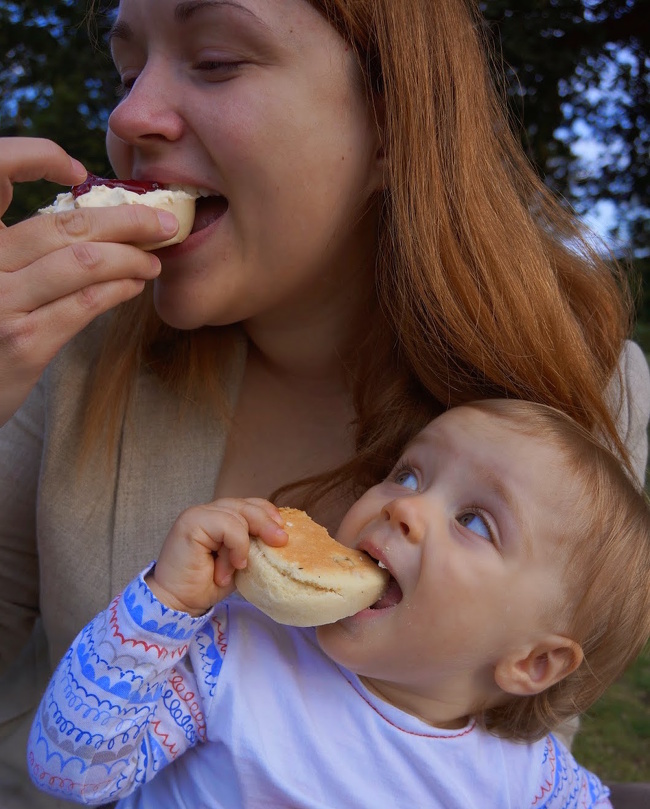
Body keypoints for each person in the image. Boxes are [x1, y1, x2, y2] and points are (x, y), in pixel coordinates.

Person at [1, 0, 650, 806]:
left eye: (216, 60)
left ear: (390, 125)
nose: (127, 115)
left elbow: (509, 736)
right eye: (125, 71)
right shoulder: (62, 341)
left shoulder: (582, 386)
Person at [27, 400, 650, 808]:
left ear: (534, 663)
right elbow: (69, 771)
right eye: (408, 475)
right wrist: (164, 604)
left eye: (475, 521)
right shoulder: (238, 654)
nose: (404, 506)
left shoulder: (531, 782)